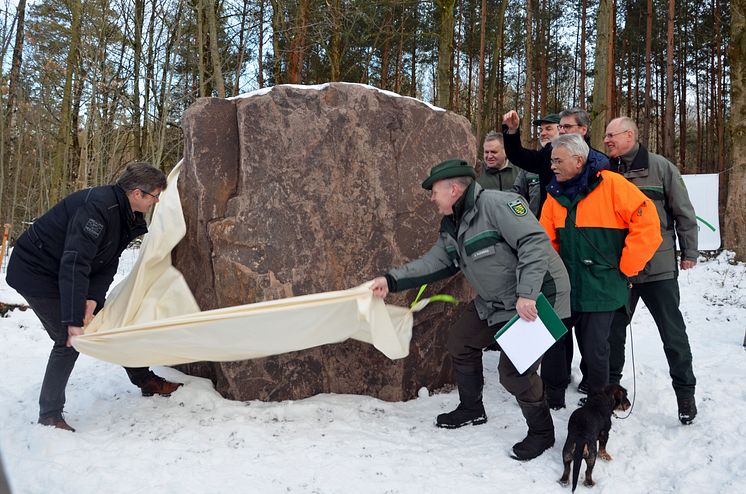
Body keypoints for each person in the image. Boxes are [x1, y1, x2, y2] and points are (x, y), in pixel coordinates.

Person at [370, 159, 571, 461]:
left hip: (538, 298)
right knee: (461, 342)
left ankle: (542, 433)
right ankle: (471, 408)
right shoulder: (453, 223)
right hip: (496, 301)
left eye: (434, 191)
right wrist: (391, 280)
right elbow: (438, 262)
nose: (431, 198)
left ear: (453, 189)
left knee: (514, 374)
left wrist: (528, 294)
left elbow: (534, 241)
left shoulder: (498, 205)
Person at [6, 162, 182, 432]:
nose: (156, 201)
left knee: (113, 321)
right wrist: (74, 316)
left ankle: (144, 379)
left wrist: (93, 299)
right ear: (137, 193)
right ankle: (50, 414)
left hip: (64, 269)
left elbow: (107, 262)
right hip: (35, 271)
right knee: (68, 339)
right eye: (155, 196)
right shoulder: (98, 209)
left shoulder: (127, 216)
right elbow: (75, 261)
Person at [539, 134, 661, 403]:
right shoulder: (554, 194)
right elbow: (544, 242)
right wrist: (548, 278)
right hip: (565, 286)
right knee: (554, 341)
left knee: (596, 350)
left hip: (603, 285)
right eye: (551, 161)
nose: (552, 166)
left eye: (558, 160)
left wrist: (627, 267)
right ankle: (553, 394)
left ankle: (598, 402)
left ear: (578, 160)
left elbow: (648, 225)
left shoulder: (613, 185)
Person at [603, 117, 699, 425]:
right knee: (612, 333)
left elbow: (684, 212)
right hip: (621, 271)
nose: (606, 141)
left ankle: (685, 395)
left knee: (673, 334)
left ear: (629, 135)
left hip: (658, 269)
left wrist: (689, 252)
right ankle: (609, 391)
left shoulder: (661, 167)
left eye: (610, 135)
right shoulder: (605, 170)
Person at [512, 114, 560, 217]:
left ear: (561, 130)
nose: (542, 133)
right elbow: (516, 195)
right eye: (541, 130)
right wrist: (524, 219)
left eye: (548, 129)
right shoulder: (535, 161)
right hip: (536, 226)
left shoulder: (573, 162)